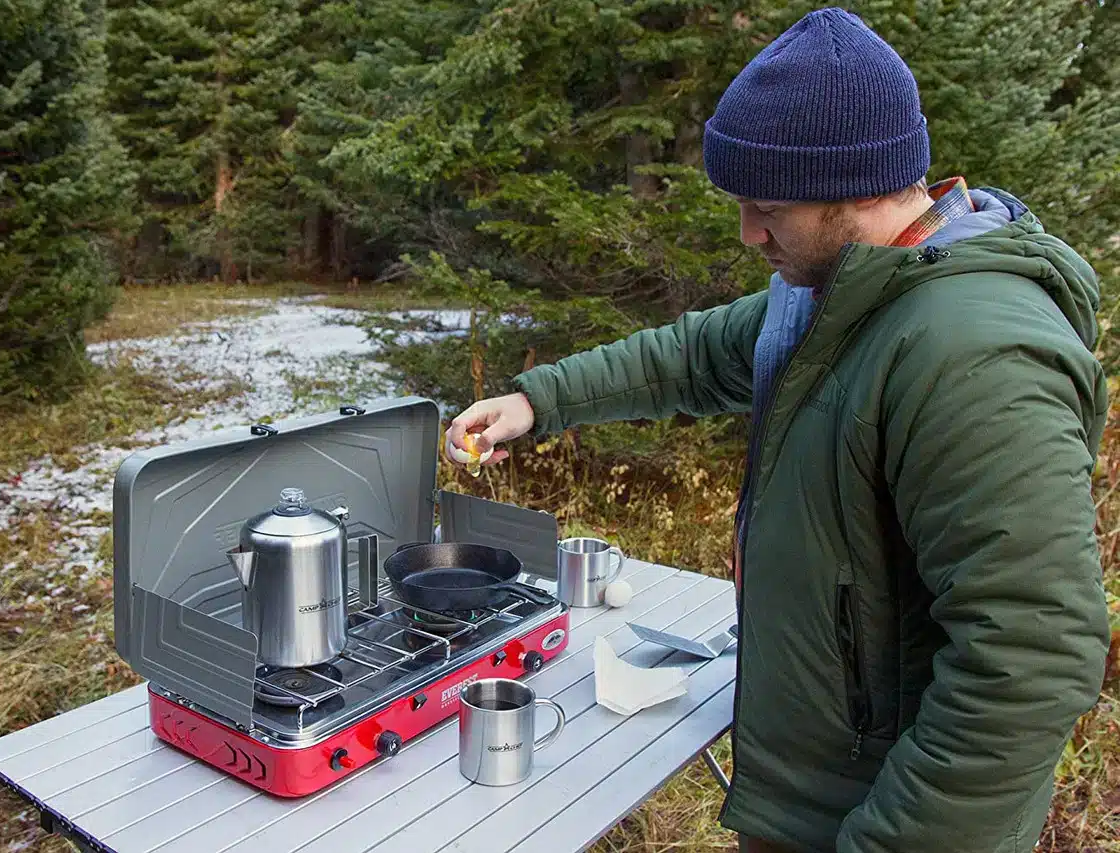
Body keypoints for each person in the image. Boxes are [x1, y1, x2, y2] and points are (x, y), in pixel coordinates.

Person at [445, 7, 1111, 852]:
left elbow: (1032, 656)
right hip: (813, 790)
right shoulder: (840, 293)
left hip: (885, 814)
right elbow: (692, 354)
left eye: (769, 207)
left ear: (863, 185)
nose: (749, 233)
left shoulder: (970, 353)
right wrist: (538, 403)